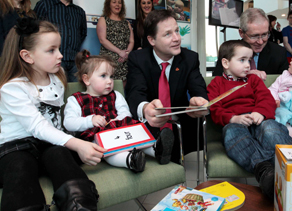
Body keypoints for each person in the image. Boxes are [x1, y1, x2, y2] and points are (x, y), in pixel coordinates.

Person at [0, 18, 105, 210]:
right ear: (27, 56)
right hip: (18, 148)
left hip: (49, 145)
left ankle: (81, 204)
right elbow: (38, 127)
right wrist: (77, 144)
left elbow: (55, 126)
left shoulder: (57, 77)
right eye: (51, 50)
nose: (60, 55)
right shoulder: (12, 88)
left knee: (59, 154)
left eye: (59, 48)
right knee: (19, 166)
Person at [207, 40, 292, 200]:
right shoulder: (216, 84)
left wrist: (260, 112)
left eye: (249, 60)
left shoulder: (253, 80)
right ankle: (265, 171)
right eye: (242, 60)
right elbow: (214, 108)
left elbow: (266, 99)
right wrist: (233, 118)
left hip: (258, 119)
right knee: (232, 133)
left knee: (270, 128)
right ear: (226, 63)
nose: (248, 65)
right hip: (234, 123)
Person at [64, 49, 175, 173]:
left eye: (111, 76)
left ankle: (157, 150)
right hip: (98, 137)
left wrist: (117, 120)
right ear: (87, 79)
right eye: (103, 76)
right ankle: (131, 160)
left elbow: (125, 112)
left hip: (121, 130)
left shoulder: (115, 95)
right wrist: (90, 120)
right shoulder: (76, 99)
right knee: (109, 151)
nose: (109, 81)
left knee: (137, 136)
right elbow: (68, 123)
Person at [125, 10, 208, 164]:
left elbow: (199, 90)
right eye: (168, 34)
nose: (177, 38)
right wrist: (145, 109)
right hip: (149, 124)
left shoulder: (189, 58)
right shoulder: (138, 59)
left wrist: (199, 102)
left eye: (177, 31)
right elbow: (135, 93)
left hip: (180, 125)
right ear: (152, 40)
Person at [213, 8, 289, 78]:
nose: (260, 41)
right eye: (254, 36)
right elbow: (216, 81)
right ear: (241, 33)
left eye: (264, 35)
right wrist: (243, 75)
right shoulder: (228, 51)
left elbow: (286, 85)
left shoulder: (279, 53)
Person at [34, 0, 87, 82]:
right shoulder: (45, 5)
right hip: (53, 59)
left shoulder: (79, 11)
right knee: (54, 88)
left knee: (75, 89)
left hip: (74, 60)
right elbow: (35, 30)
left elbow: (82, 33)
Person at [97, 0, 134, 85]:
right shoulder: (103, 20)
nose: (117, 5)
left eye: (119, 2)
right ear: (108, 4)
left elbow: (131, 41)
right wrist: (119, 52)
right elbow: (102, 40)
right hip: (108, 61)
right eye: (114, 2)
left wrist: (126, 54)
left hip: (124, 60)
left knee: (121, 91)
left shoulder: (126, 22)